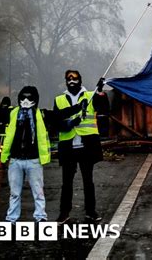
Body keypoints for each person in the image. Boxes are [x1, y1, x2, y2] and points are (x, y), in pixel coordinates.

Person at [1, 86, 85, 223]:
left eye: (30, 97)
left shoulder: (42, 114)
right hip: (15, 160)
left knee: (38, 192)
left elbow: (60, 114)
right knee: (14, 193)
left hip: (34, 160)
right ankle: (11, 218)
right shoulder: (13, 113)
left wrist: (78, 107)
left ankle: (40, 217)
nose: (26, 100)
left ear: (35, 99)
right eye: (23, 97)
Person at [54, 70, 109, 224]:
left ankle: (90, 211)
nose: (72, 80)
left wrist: (100, 92)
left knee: (88, 181)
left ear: (80, 79)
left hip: (87, 145)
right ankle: (64, 213)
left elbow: (104, 109)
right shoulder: (59, 99)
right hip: (68, 146)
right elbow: (56, 122)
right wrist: (70, 123)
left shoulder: (90, 96)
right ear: (65, 81)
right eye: (69, 78)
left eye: (75, 78)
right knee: (67, 182)